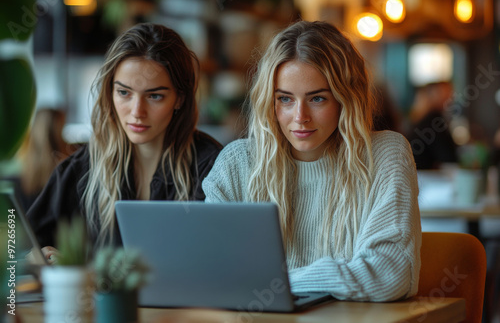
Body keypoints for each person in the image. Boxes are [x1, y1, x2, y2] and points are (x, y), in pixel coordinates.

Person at [202, 21, 421, 302]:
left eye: (317, 99)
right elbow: (210, 269)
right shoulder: (237, 163)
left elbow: (388, 274)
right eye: (285, 99)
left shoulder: (384, 154)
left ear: (346, 99)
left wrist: (274, 283)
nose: (300, 117)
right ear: (270, 101)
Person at [27, 23, 222, 260]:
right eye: (124, 93)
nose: (137, 111)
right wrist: (39, 257)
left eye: (154, 96)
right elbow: (20, 248)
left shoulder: (211, 167)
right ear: (110, 91)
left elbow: (222, 261)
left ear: (179, 98)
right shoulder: (83, 168)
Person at [406, 81, 458, 169]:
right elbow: (447, 156)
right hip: (427, 176)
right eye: (446, 92)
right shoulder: (434, 118)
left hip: (416, 173)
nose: (451, 97)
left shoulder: (420, 116)